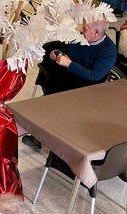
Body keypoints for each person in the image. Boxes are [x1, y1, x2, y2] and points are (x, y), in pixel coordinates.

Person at [23, 19, 116, 149]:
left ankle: (47, 136)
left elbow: (94, 76)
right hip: (65, 78)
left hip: (85, 88)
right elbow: (69, 49)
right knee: (48, 101)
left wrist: (69, 64)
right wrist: (58, 53)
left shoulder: (108, 51)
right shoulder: (81, 37)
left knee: (55, 103)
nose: (81, 30)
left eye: (85, 28)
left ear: (96, 32)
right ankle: (40, 134)